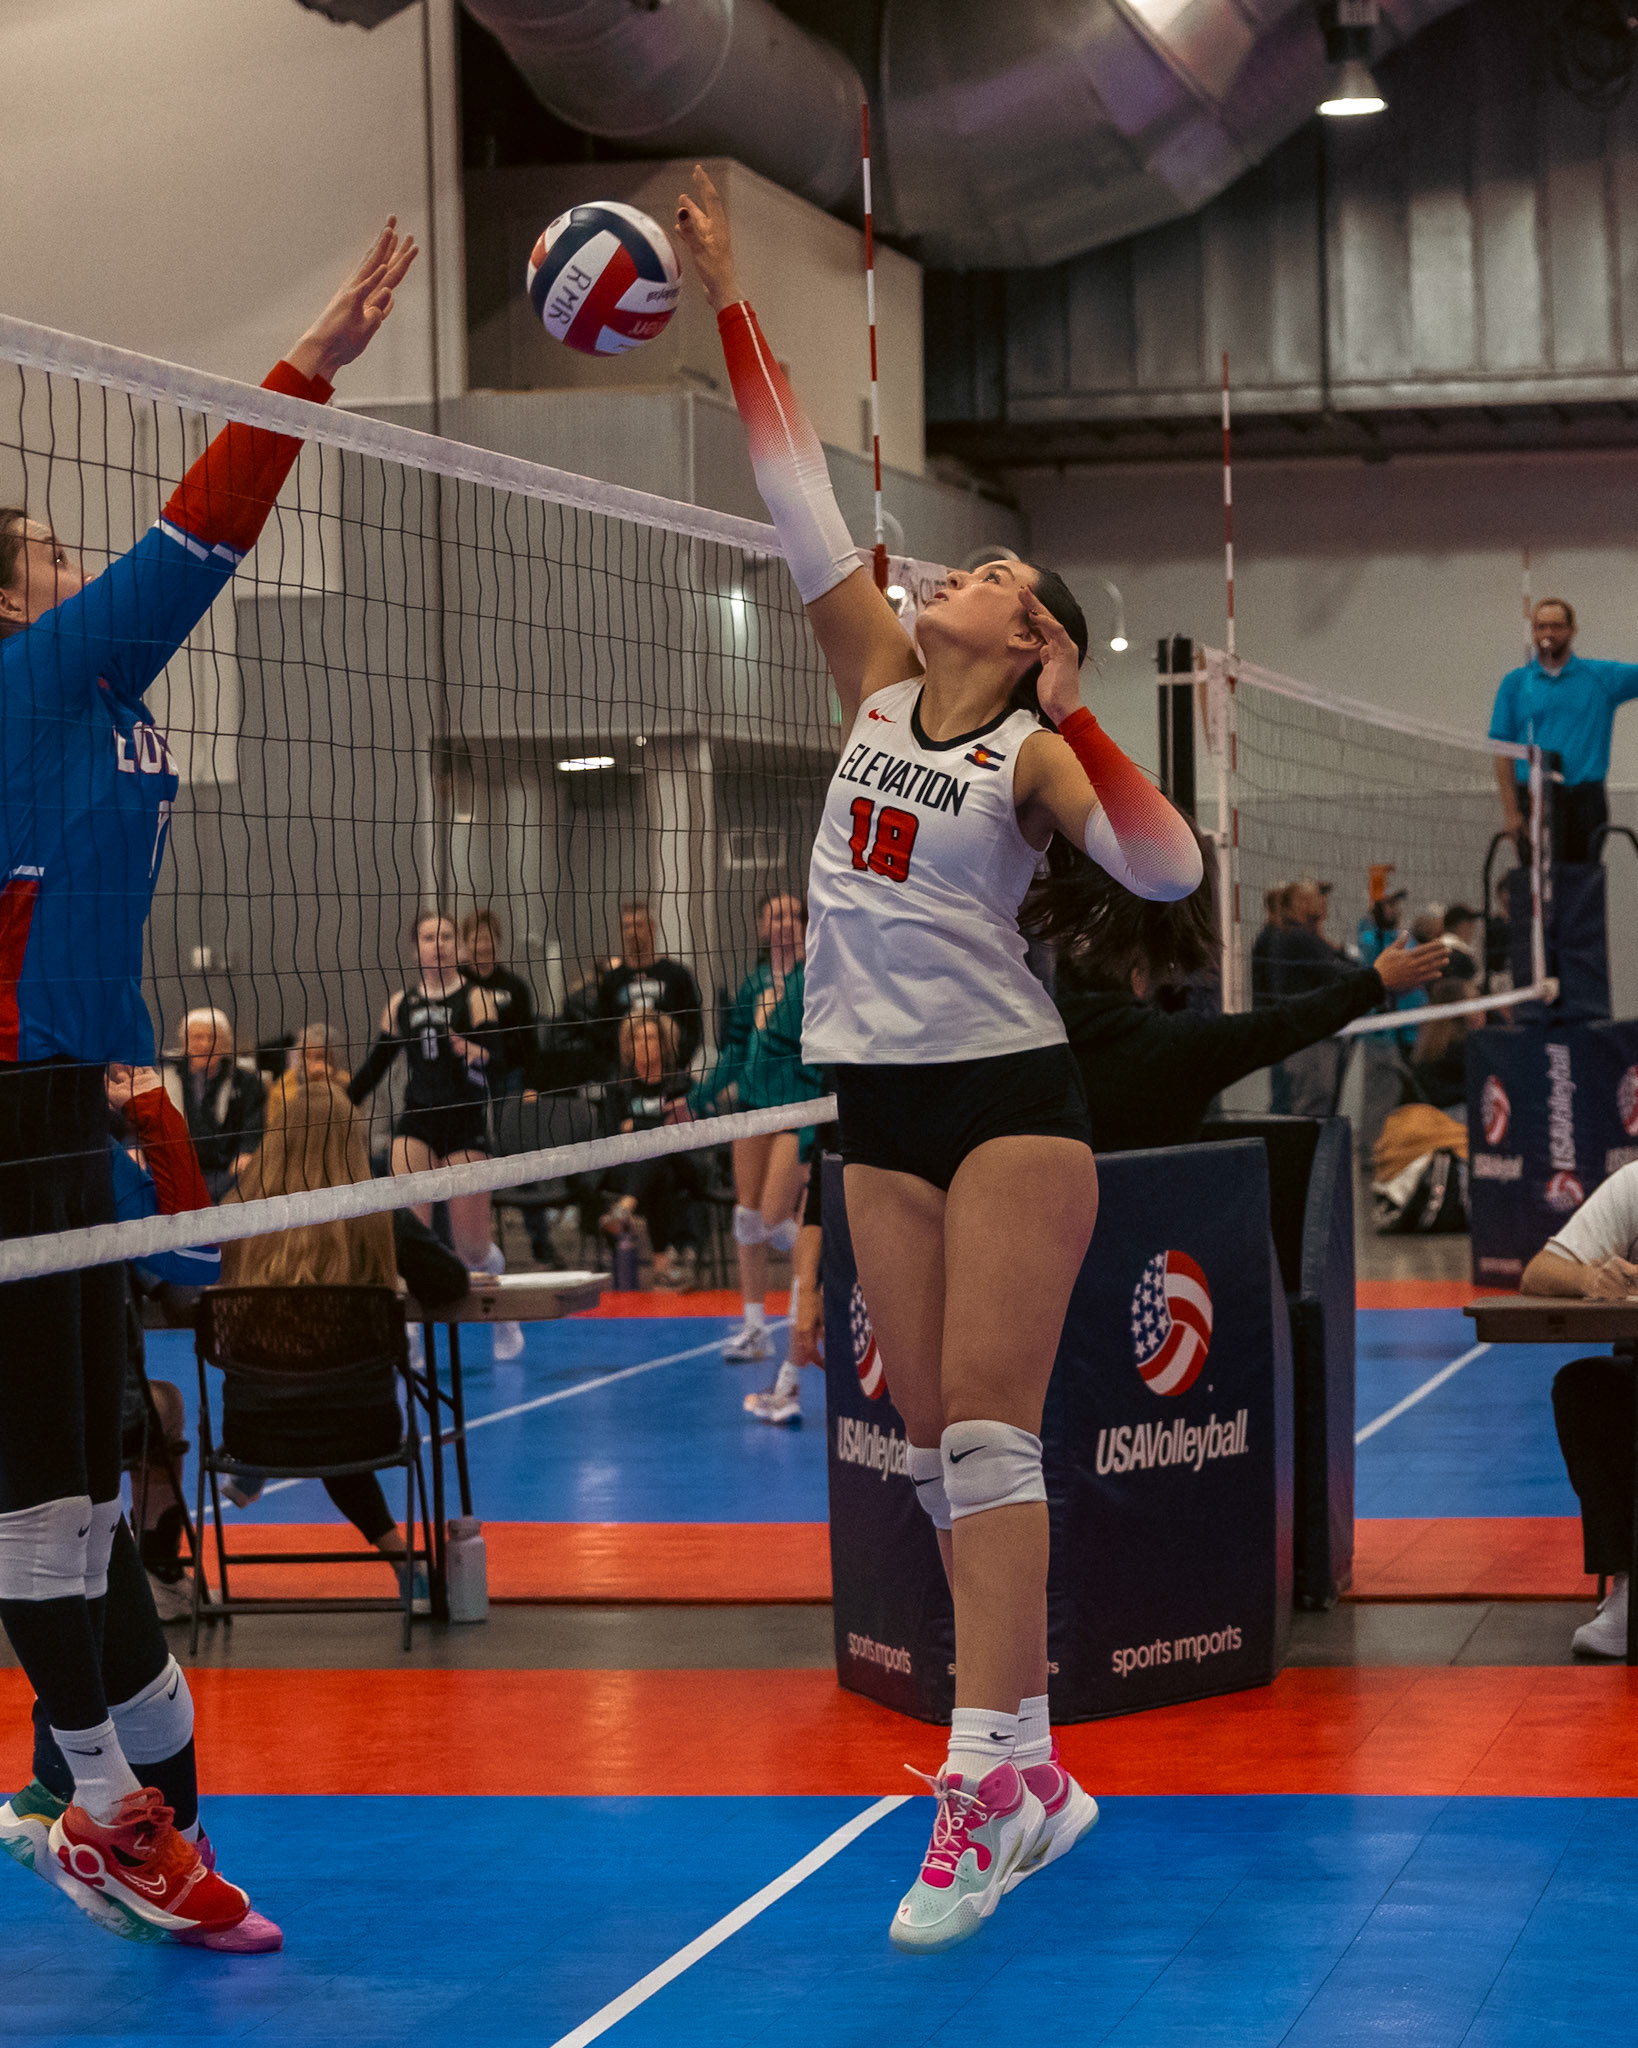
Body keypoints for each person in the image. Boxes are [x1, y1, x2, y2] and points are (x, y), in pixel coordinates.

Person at [677, 163, 1202, 1952]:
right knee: (925, 1434)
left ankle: (981, 1783)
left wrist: (1076, 713)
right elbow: (790, 484)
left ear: (1031, 630)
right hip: (875, 1101)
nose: (949, 574)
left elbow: (1166, 868)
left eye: (986, 572)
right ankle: (1033, 1770)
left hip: (1005, 1102)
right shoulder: (877, 681)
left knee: (983, 1427)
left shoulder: (1033, 756)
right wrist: (728, 291)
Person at [0, 216, 415, 1951]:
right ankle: (100, 1814)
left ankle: (110, 1803)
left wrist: (146, 1120)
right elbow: (198, 539)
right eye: (43, 550)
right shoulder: (27, 675)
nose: (69, 560)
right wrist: (308, 364)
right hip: (9, 1120)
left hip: (62, 1112)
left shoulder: (86, 692)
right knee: (41, 1506)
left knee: (96, 1500)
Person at [1049, 847, 1450, 1149]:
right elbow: (1282, 1023)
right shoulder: (1180, 1047)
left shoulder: (1039, 1054)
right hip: (1166, 1226)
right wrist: (1374, 981)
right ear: (1139, 977)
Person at [213, 1069, 426, 1606]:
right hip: (364, 1426)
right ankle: (407, 1562)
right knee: (327, 1407)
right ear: (352, 1138)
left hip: (252, 1428)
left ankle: (245, 1484)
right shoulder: (378, 1212)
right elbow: (450, 1283)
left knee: (306, 1399)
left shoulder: (235, 1212)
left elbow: (190, 1286)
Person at [346, 909, 523, 1360]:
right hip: (417, 1123)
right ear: (415, 950)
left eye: (446, 937)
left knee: (472, 1250)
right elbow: (376, 1066)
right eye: (429, 937)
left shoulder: (477, 998)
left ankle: (505, 1318)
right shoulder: (400, 1004)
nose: (439, 945)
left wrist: (475, 1052)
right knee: (411, 1241)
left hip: (464, 1124)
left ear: (457, 947)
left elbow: (502, 1062)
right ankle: (410, 1336)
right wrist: (337, 1104)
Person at [690, 890, 824, 1362]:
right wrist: (697, 1098)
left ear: (805, 923)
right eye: (775, 916)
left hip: (799, 1107)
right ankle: (754, 1330)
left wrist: (777, 1011)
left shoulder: (815, 976)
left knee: (772, 1215)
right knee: (746, 1219)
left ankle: (825, 1263)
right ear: (762, 928)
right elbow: (735, 1049)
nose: (784, 923)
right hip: (752, 1105)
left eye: (792, 915)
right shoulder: (754, 982)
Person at [1518, 1161, 1638, 1656]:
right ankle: (1630, 1589)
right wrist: (1592, 1278)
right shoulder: (1635, 1185)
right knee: (1585, 1387)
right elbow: (1539, 1272)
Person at [1490, 597, 1638, 863]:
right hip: (1533, 798)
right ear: (1534, 631)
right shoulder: (1515, 683)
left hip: (1585, 799)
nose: (1549, 633)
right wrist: (1511, 812)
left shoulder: (1601, 677)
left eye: (1557, 626)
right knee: (1535, 878)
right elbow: (1502, 751)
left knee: (1582, 878)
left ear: (1572, 629)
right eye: (1541, 626)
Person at [596, 1013, 702, 1292]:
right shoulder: (618, 1085)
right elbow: (613, 1130)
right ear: (628, 1045)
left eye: (651, 1038)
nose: (644, 1044)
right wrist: (655, 1125)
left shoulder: (680, 1082)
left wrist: (638, 1125)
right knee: (660, 1174)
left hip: (680, 1160)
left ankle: (624, 1208)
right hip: (631, 1164)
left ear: (663, 1043)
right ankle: (661, 1268)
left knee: (660, 1147)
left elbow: (682, 1130)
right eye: (638, 1038)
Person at [743, 1124, 832, 1426]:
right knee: (805, 1244)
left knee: (813, 1245)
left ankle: (787, 1385)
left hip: (836, 1130)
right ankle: (787, 1384)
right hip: (820, 1129)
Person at [1264, 877, 1356, 1115]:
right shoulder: (1297, 937)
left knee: (1313, 1104)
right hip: (1309, 1038)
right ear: (1302, 903)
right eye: (1318, 897)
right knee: (1311, 1106)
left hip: (1308, 1034)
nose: (1324, 902)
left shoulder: (1301, 936)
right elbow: (1339, 972)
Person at [161, 1007, 264, 1201]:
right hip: (180, 1166)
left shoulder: (245, 1081)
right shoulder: (166, 1078)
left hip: (228, 1169)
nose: (206, 1044)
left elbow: (254, 1123)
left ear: (225, 1044)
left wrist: (246, 1151)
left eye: (213, 1038)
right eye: (197, 1037)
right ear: (185, 1043)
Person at [597, 900, 704, 1074]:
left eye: (638, 925)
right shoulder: (611, 980)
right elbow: (602, 1031)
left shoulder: (676, 974)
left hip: (670, 1073)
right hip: (626, 1076)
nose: (631, 932)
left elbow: (693, 1027)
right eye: (626, 927)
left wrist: (677, 1065)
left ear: (652, 927)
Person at [458, 908, 537, 1098]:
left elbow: (529, 1040)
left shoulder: (515, 987)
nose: (482, 946)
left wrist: (532, 1085)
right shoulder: (456, 985)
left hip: (509, 1075)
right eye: (476, 940)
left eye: (488, 939)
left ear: (498, 941)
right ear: (465, 943)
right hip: (465, 1074)